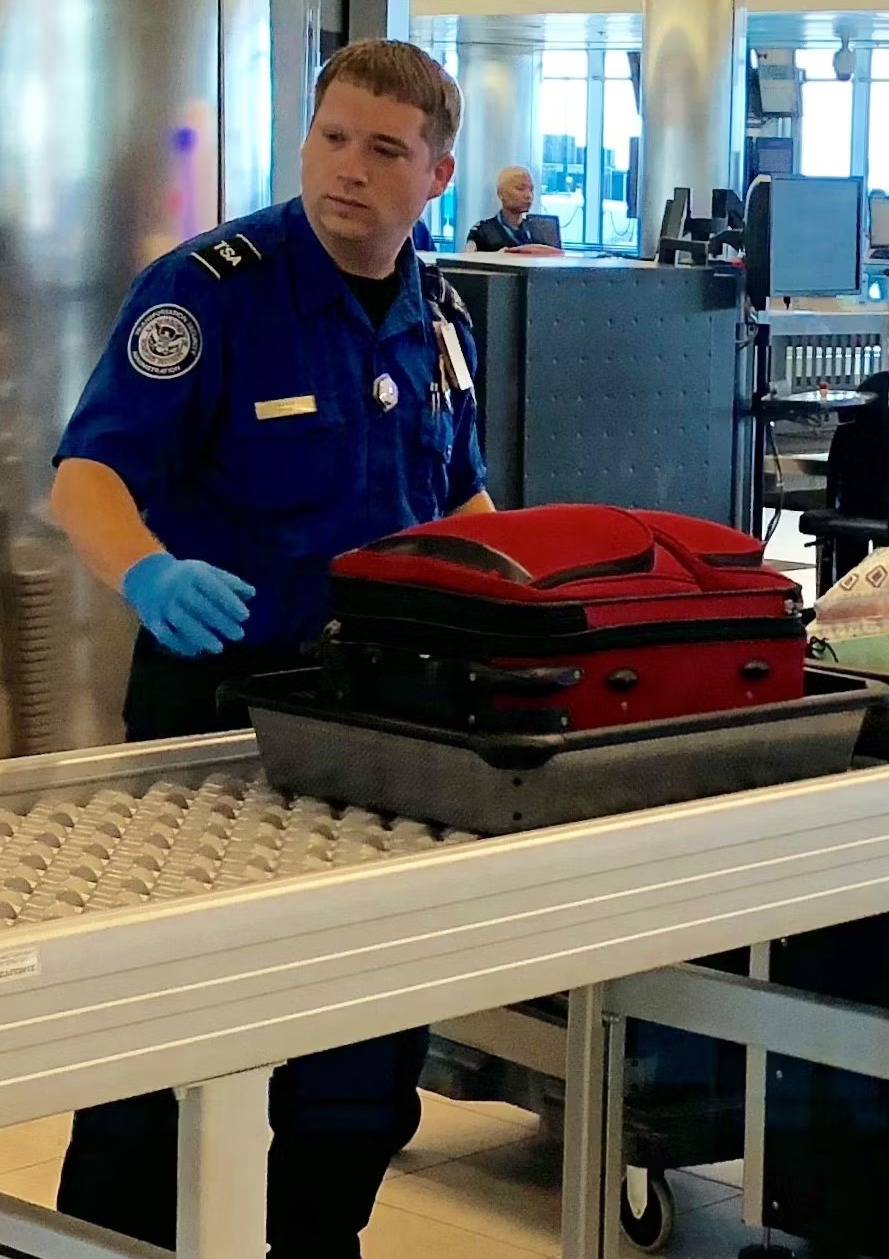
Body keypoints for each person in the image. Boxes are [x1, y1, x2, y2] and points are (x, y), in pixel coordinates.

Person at [46, 38, 492, 1258]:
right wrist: (146, 569)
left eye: (385, 150)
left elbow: (461, 512)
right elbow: (87, 477)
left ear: (436, 173)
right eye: (332, 137)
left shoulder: (439, 320)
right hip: (215, 709)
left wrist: (523, 602)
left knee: (359, 1040)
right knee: (167, 1029)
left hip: (375, 726)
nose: (348, 169)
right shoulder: (211, 290)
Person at [465, 164, 562, 254]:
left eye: (531, 190)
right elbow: (468, 263)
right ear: (501, 193)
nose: (528, 195)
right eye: (520, 189)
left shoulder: (537, 232)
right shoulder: (482, 232)